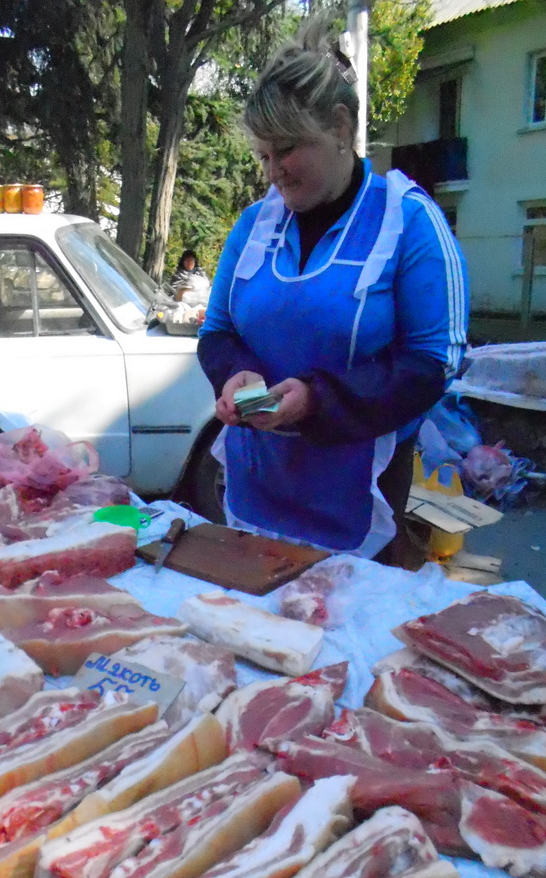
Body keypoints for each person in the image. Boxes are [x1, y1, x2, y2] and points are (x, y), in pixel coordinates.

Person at [197, 19, 469, 565]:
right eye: (264, 157)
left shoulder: (409, 223)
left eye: (287, 150)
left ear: (341, 128)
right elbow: (217, 331)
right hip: (258, 481)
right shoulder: (255, 225)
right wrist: (236, 374)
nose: (274, 171)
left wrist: (317, 400)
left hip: (358, 490)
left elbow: (433, 362)